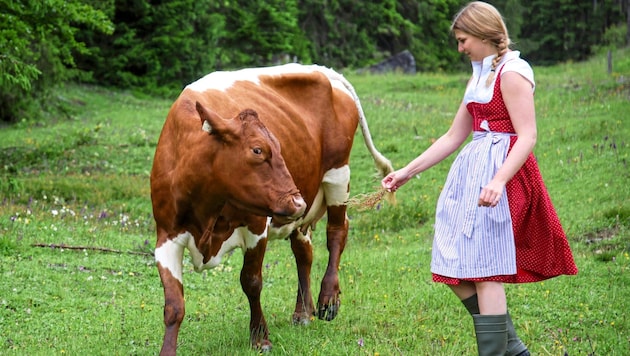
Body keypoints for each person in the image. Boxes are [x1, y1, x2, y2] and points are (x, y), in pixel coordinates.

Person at [381, 2, 578, 355]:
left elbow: (527, 135)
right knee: (452, 261)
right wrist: (406, 173)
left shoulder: (514, 72)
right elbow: (453, 136)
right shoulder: (480, 74)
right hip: (471, 174)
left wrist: (499, 180)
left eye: (463, 39)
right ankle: (513, 349)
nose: (460, 48)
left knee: (485, 270)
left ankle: (498, 351)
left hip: (502, 175)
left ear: (485, 34)